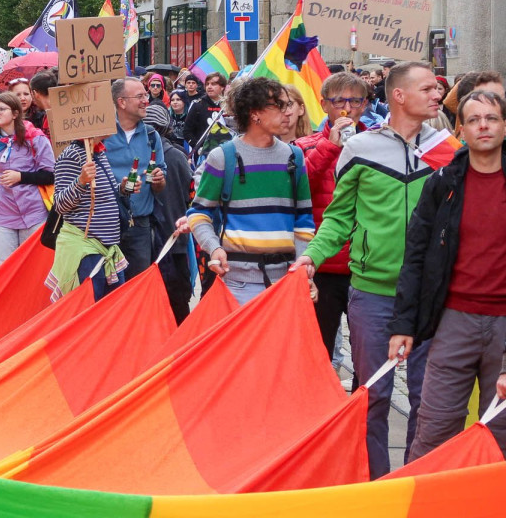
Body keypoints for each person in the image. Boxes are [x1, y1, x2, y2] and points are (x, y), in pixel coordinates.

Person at [295, 61, 445, 478]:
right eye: (429, 88)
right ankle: (376, 485)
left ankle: (416, 483)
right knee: (373, 395)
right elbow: (339, 218)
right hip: (373, 294)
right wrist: (312, 256)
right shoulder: (359, 149)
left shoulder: (449, 150)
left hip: (432, 298)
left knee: (428, 401)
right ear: (399, 95)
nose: (438, 95)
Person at [388, 89, 506, 460]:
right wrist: (403, 325)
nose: (483, 126)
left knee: (499, 435)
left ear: (504, 125)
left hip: (505, 324)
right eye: (473, 120)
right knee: (434, 427)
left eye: (491, 118)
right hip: (453, 319)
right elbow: (416, 257)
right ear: (461, 129)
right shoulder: (443, 183)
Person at [187, 77, 314, 306]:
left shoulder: (294, 157)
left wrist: (303, 263)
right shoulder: (222, 157)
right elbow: (199, 213)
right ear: (255, 114)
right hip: (237, 284)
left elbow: (303, 218)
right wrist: (214, 248)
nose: (288, 112)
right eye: (279, 106)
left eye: (288, 105)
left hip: (286, 282)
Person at [294, 71, 374, 358]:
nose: (347, 108)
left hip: (364, 266)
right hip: (323, 265)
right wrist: (330, 147)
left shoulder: (378, 144)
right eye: (339, 100)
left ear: (365, 105)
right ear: (324, 104)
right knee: (318, 350)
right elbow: (298, 188)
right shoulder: (306, 145)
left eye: (355, 101)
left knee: (367, 352)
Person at [0, 93, 55, 264]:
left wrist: (20, 176)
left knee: (34, 267)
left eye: (1, 109)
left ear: (15, 114)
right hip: (1, 213)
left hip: (34, 212)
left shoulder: (36, 138)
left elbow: (51, 174)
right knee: (5, 268)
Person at [103, 77, 167, 274]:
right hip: (107, 225)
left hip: (140, 225)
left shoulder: (151, 135)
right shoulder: (101, 133)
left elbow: (161, 180)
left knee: (137, 287)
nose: (146, 100)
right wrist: (119, 189)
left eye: (146, 95)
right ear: (121, 102)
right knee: (107, 289)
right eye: (140, 96)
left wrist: (159, 180)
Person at [51, 136, 126, 300]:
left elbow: (104, 194)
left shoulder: (99, 152)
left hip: (107, 247)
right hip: (86, 249)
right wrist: (81, 181)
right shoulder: (71, 155)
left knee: (111, 310)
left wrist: (122, 188)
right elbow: (60, 205)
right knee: (88, 310)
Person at [145, 104, 194, 323]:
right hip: (174, 237)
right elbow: (190, 192)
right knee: (178, 300)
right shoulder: (177, 156)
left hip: (150, 239)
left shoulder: (170, 157)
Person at [183, 71, 225, 157]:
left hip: (224, 151)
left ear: (222, 87)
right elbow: (187, 131)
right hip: (203, 154)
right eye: (207, 84)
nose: (209, 87)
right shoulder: (197, 105)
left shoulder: (228, 106)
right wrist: (197, 147)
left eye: (213, 84)